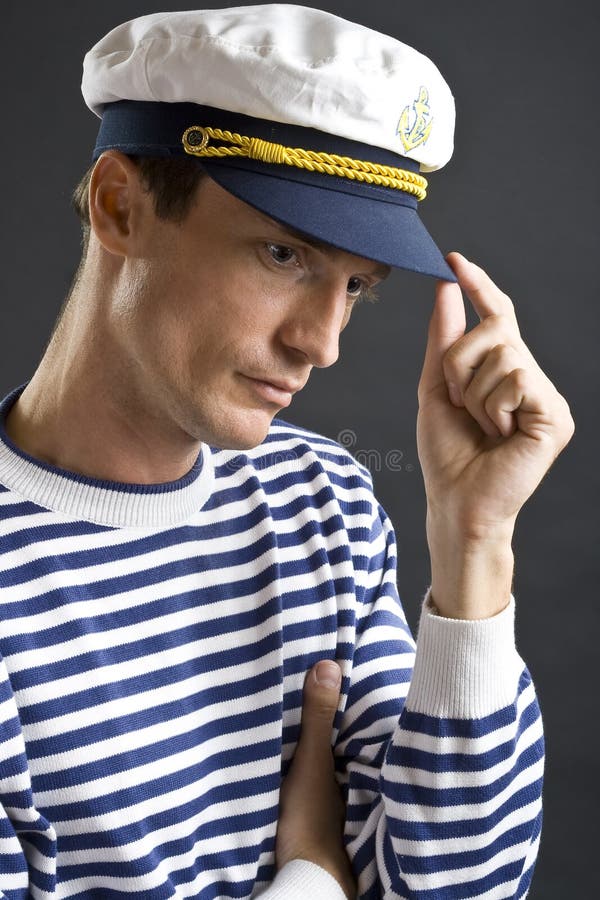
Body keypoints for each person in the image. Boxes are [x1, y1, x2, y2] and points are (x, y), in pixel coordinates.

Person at [0, 4, 574, 899]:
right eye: (281, 254)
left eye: (356, 287)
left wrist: (475, 544)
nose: (323, 342)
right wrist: (312, 876)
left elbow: (460, 888)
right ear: (121, 206)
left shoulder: (324, 501)